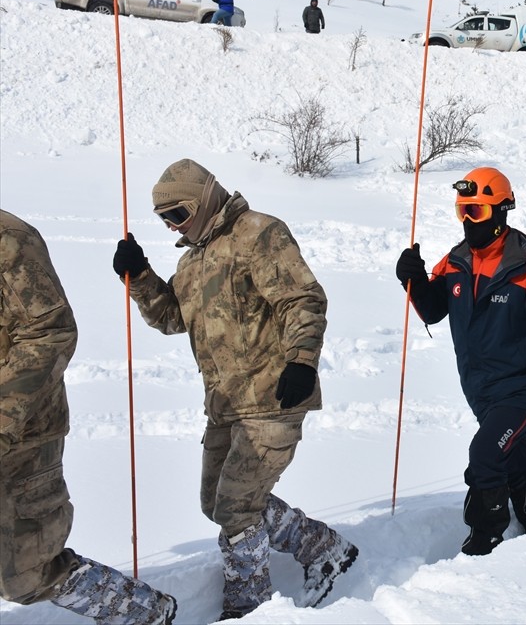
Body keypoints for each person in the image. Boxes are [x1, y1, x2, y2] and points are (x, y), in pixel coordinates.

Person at [112, 159, 356, 618]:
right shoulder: (191, 260)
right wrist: (141, 277)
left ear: (204, 199)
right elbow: (172, 318)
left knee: (237, 507)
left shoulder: (259, 233)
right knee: (215, 502)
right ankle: (323, 548)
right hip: (225, 405)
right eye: (164, 221)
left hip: (273, 398)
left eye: (178, 215)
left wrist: (301, 361)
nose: (172, 228)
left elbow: (301, 299)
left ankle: (248, 607)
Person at [394, 167, 526, 555]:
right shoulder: (454, 262)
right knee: (510, 453)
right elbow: (433, 310)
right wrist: (415, 280)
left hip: (523, 387)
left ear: (502, 214)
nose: (469, 221)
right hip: (480, 386)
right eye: (463, 212)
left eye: (477, 212)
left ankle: (485, 536)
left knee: (486, 454)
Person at [2, 211, 178, 625]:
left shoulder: (9, 240)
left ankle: (145, 614)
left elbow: (50, 332)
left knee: (24, 573)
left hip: (23, 433)